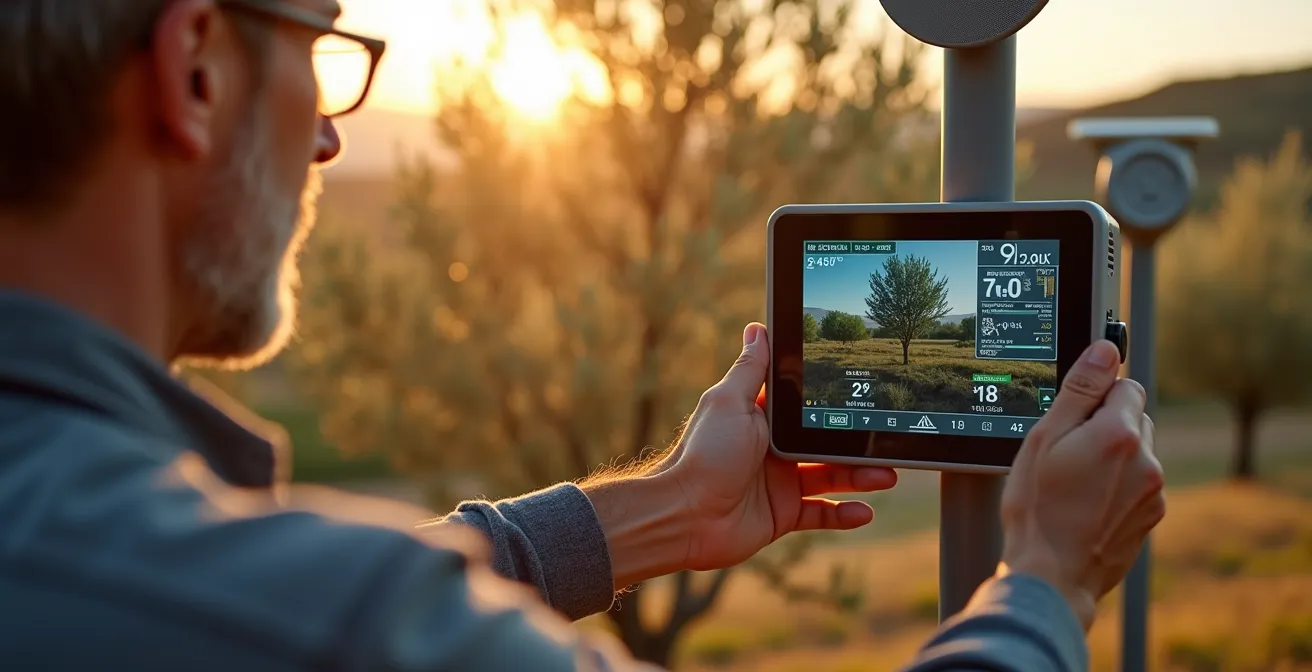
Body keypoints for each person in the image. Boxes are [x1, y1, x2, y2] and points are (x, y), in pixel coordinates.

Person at [0, 0, 1165, 670]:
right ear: (193, 68)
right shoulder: (331, 627)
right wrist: (1047, 587)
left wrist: (654, 512)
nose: (328, 144)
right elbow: (312, 615)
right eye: (322, 52)